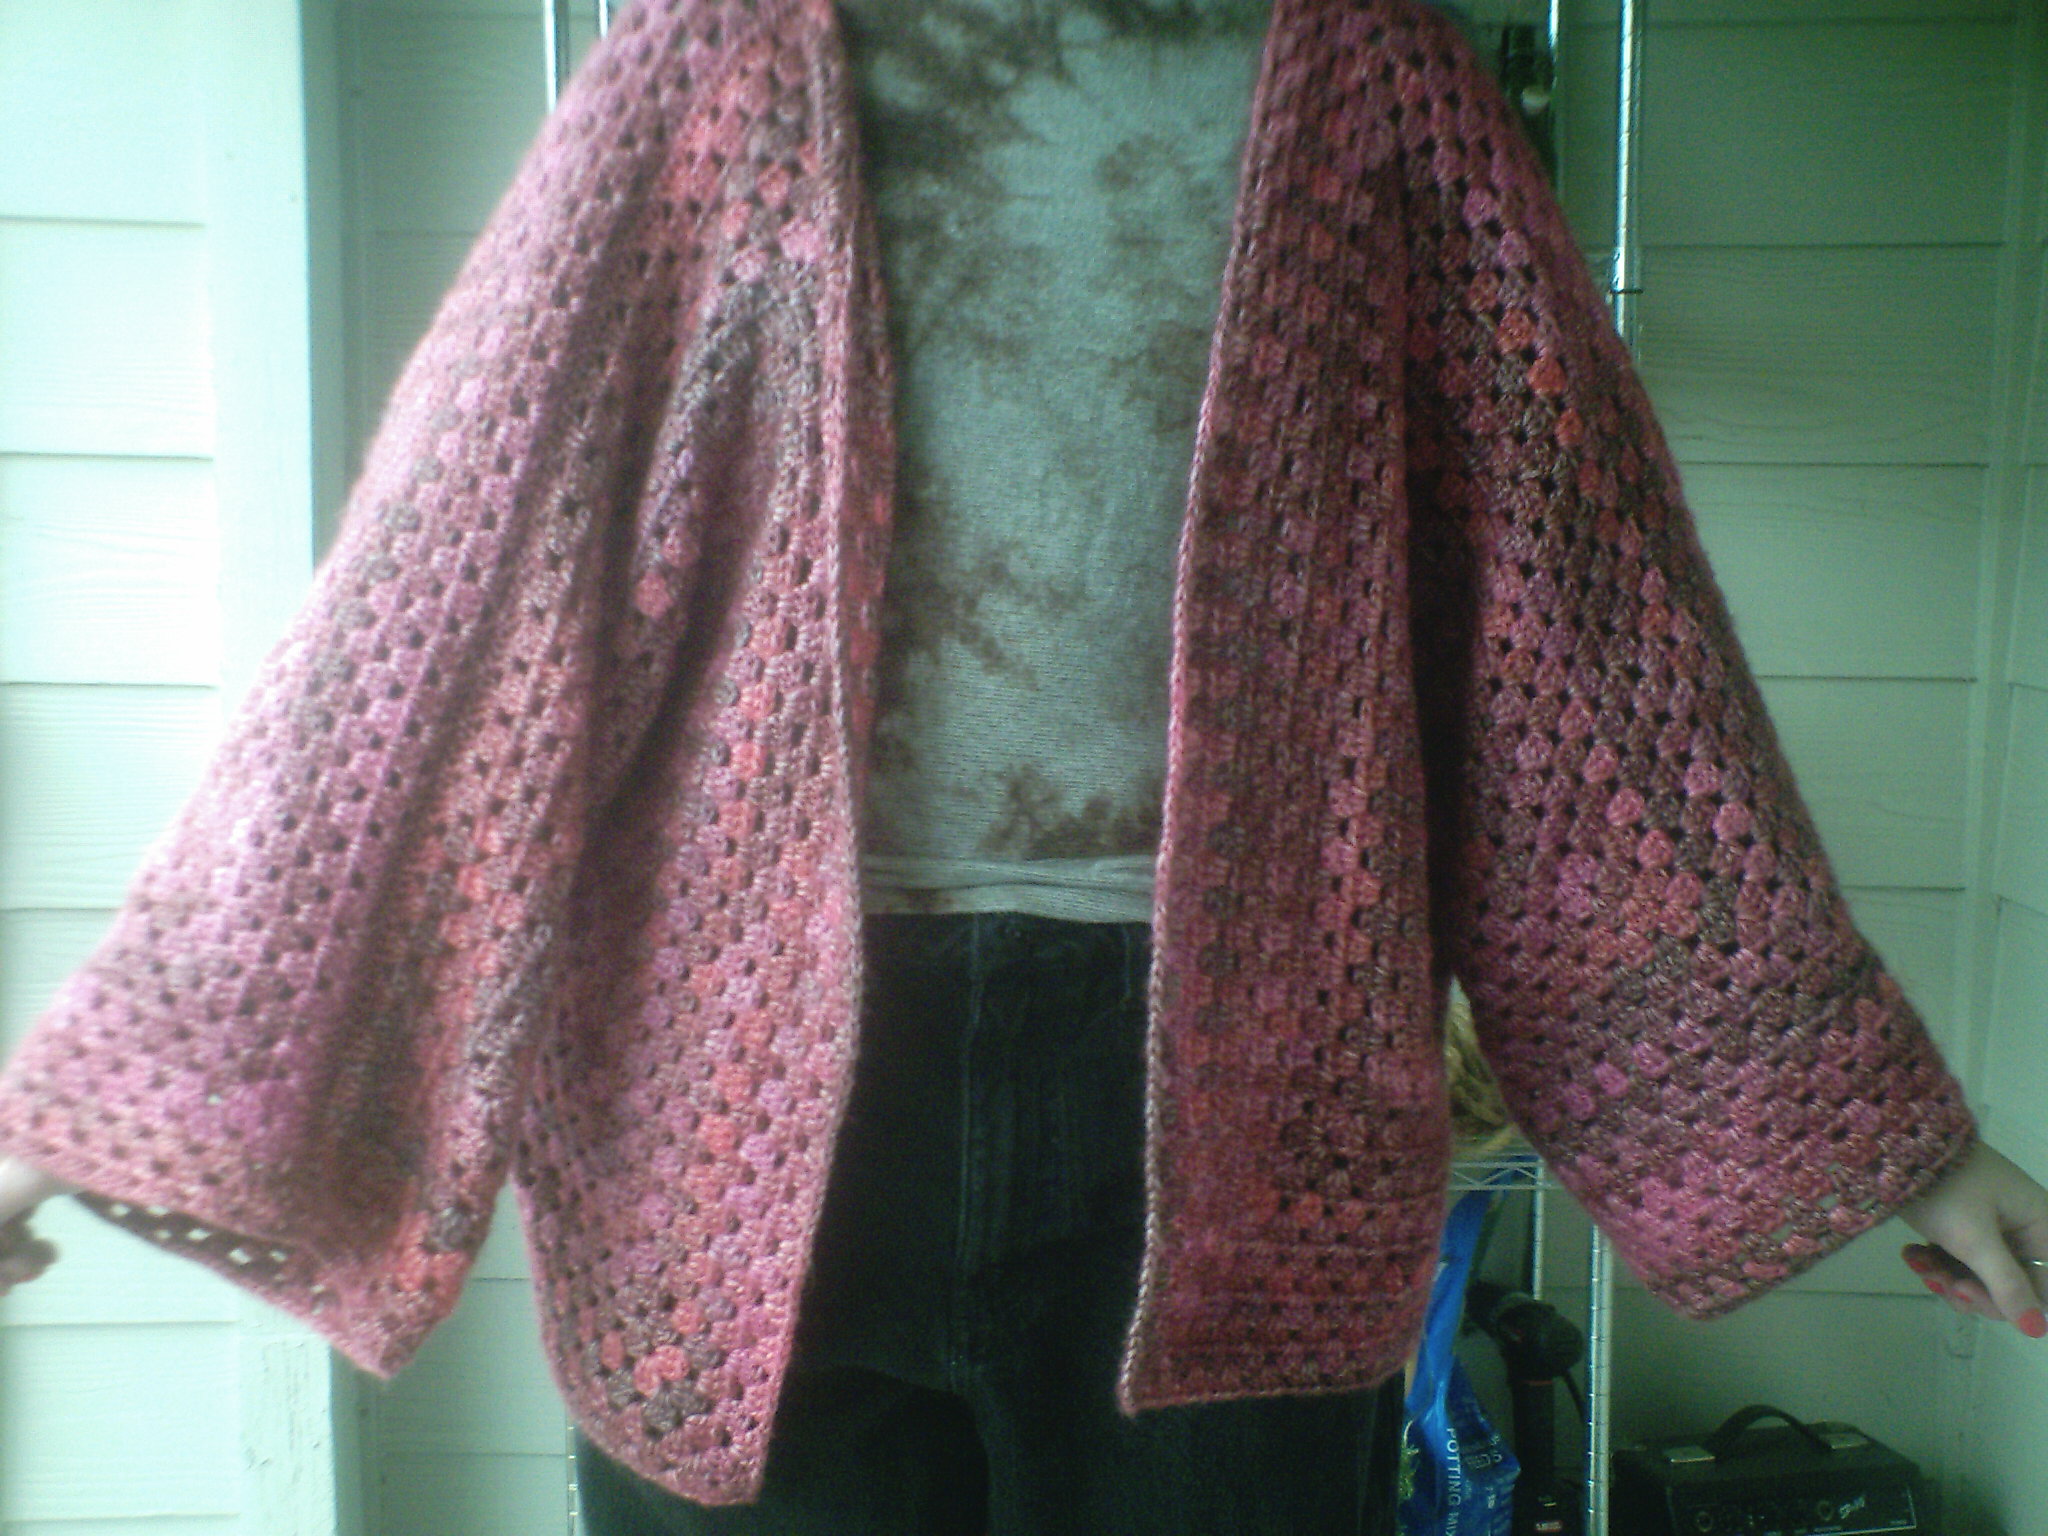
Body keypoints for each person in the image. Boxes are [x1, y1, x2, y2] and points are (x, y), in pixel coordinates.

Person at [2, 0, 2046, 1531]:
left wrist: (1884, 1138)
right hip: (731, 1113)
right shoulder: (711, 78)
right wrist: (90, 1114)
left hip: (1247, 1108)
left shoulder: (1379, 92)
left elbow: (1583, 639)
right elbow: (449, 607)